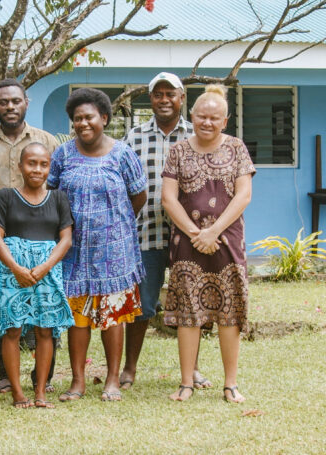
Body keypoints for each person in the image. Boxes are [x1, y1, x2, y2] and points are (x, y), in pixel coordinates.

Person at [48, 88, 147, 402]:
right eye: (77, 118)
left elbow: (139, 196)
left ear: (104, 118)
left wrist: (112, 225)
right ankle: (77, 382)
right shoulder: (63, 154)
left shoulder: (122, 154)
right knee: (78, 320)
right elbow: (50, 195)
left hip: (114, 253)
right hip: (73, 253)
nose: (82, 123)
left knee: (111, 318)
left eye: (88, 116)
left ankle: (113, 380)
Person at [161, 84, 255, 403]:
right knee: (189, 311)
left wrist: (213, 231)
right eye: (202, 115)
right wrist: (195, 233)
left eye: (215, 117)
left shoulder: (238, 148)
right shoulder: (177, 151)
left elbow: (243, 195)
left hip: (227, 240)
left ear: (225, 121)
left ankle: (231, 384)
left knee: (229, 309)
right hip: (187, 244)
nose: (207, 122)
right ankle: (186, 383)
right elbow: (169, 199)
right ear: (192, 116)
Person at [120, 72, 212, 390]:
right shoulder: (133, 137)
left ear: (181, 98)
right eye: (157, 94)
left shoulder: (196, 135)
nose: (163, 99)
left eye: (169, 94)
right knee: (142, 305)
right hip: (145, 232)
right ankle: (129, 369)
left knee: (190, 302)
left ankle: (194, 369)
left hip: (189, 234)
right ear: (151, 99)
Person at [0, 79, 61, 396]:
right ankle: (5, 376)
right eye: (3, 102)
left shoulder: (47, 142)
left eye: (15, 101)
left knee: (46, 312)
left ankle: (45, 378)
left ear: (26, 102)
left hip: (42, 241)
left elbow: (57, 190)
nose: (10, 106)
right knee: (6, 312)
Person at [0, 142, 75, 408]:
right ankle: (17, 393)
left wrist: (45, 266)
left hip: (46, 273)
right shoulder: (5, 197)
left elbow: (66, 239)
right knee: (11, 331)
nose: (37, 169)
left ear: (50, 167)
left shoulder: (58, 198)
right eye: (31, 163)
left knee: (45, 331)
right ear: (20, 166)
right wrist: (16, 268)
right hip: (12, 272)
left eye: (43, 164)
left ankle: (40, 393)